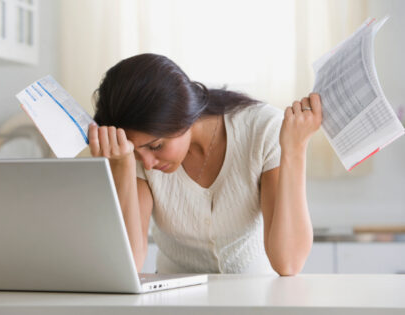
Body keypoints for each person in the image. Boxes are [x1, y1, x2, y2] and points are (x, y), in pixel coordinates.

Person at [89, 53, 322, 276]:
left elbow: (289, 262)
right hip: (175, 300)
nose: (148, 164)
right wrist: (121, 165)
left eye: (157, 146)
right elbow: (130, 264)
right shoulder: (137, 153)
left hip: (256, 295)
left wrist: (294, 150)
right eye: (136, 152)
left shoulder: (262, 130)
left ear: (182, 116)